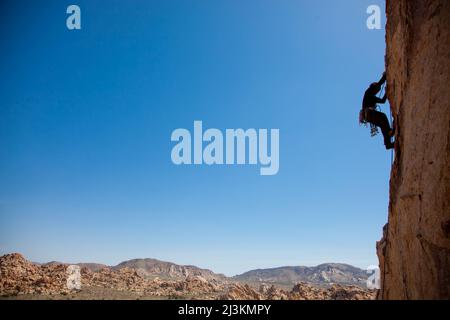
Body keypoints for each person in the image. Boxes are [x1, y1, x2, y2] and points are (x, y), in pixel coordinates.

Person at [360, 72, 394, 149]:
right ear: (373, 88)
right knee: (383, 116)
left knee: (382, 125)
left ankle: (388, 144)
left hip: (368, 116)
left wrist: (386, 93)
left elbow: (382, 101)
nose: (378, 91)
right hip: (369, 113)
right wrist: (384, 77)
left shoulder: (371, 96)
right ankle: (389, 132)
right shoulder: (369, 92)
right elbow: (379, 84)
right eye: (377, 89)